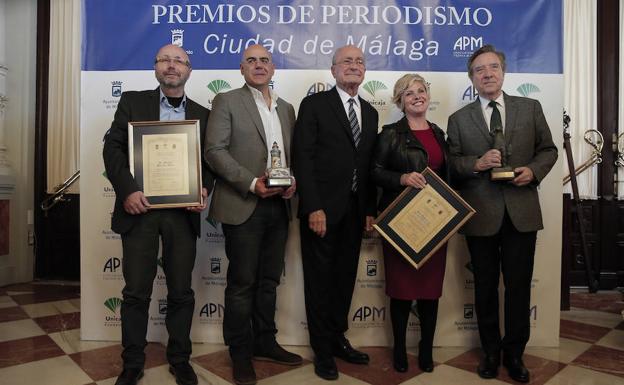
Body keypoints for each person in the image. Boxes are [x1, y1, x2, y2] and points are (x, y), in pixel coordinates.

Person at [446, 44, 557, 383]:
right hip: (480, 215)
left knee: (519, 287)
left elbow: (548, 150)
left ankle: (515, 354)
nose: (488, 74)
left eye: (493, 67)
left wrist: (533, 172)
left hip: (521, 211)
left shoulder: (531, 107)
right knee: (484, 288)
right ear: (472, 78)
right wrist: (476, 163)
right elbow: (451, 164)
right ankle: (491, 353)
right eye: (480, 70)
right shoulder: (458, 118)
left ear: (503, 72)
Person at [103, 44, 211, 385]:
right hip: (139, 210)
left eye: (179, 60)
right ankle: (132, 363)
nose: (171, 65)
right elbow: (112, 147)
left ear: (189, 70)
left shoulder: (203, 114)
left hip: (182, 214)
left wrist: (204, 189)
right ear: (155, 67)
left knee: (181, 291)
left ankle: (180, 359)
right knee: (136, 292)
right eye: (164, 59)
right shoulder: (132, 101)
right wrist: (127, 190)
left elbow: (210, 162)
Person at [204, 44, 301, 385]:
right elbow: (214, 151)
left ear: (273, 68)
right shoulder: (227, 101)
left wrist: (292, 184)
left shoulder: (287, 109)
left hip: (279, 207)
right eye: (251, 61)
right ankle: (240, 353)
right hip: (243, 204)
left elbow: (290, 157)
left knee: (269, 281)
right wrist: (250, 183)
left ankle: (265, 341)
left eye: (264, 60)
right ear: (241, 69)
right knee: (242, 283)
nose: (258, 66)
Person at [292, 45, 378, 381]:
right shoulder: (314, 105)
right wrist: (313, 206)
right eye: (347, 61)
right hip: (322, 212)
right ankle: (322, 350)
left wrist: (370, 209)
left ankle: (338, 337)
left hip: (356, 213)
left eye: (359, 62)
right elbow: (303, 158)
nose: (354, 66)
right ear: (333, 70)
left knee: (344, 281)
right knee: (320, 282)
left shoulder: (370, 112)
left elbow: (368, 166)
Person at [370, 74, 449, 373]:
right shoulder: (390, 133)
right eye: (408, 93)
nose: (417, 96)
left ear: (428, 94)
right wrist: (401, 178)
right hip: (400, 224)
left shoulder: (439, 133)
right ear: (399, 101)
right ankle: (400, 349)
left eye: (421, 90)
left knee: (430, 291)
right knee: (401, 290)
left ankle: (426, 350)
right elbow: (374, 172)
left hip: (436, 224)